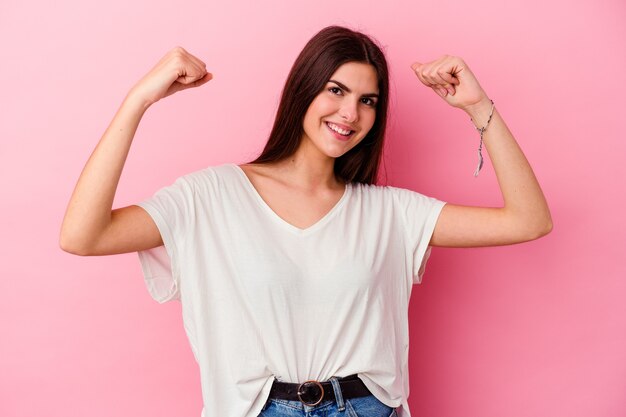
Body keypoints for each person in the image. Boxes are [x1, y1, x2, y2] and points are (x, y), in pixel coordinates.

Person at [60, 26, 552, 417]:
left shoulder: (390, 213)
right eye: (336, 90)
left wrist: (478, 106)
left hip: (366, 408)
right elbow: (83, 235)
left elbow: (528, 221)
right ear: (304, 89)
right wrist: (139, 98)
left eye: (368, 100)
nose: (349, 113)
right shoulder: (210, 197)